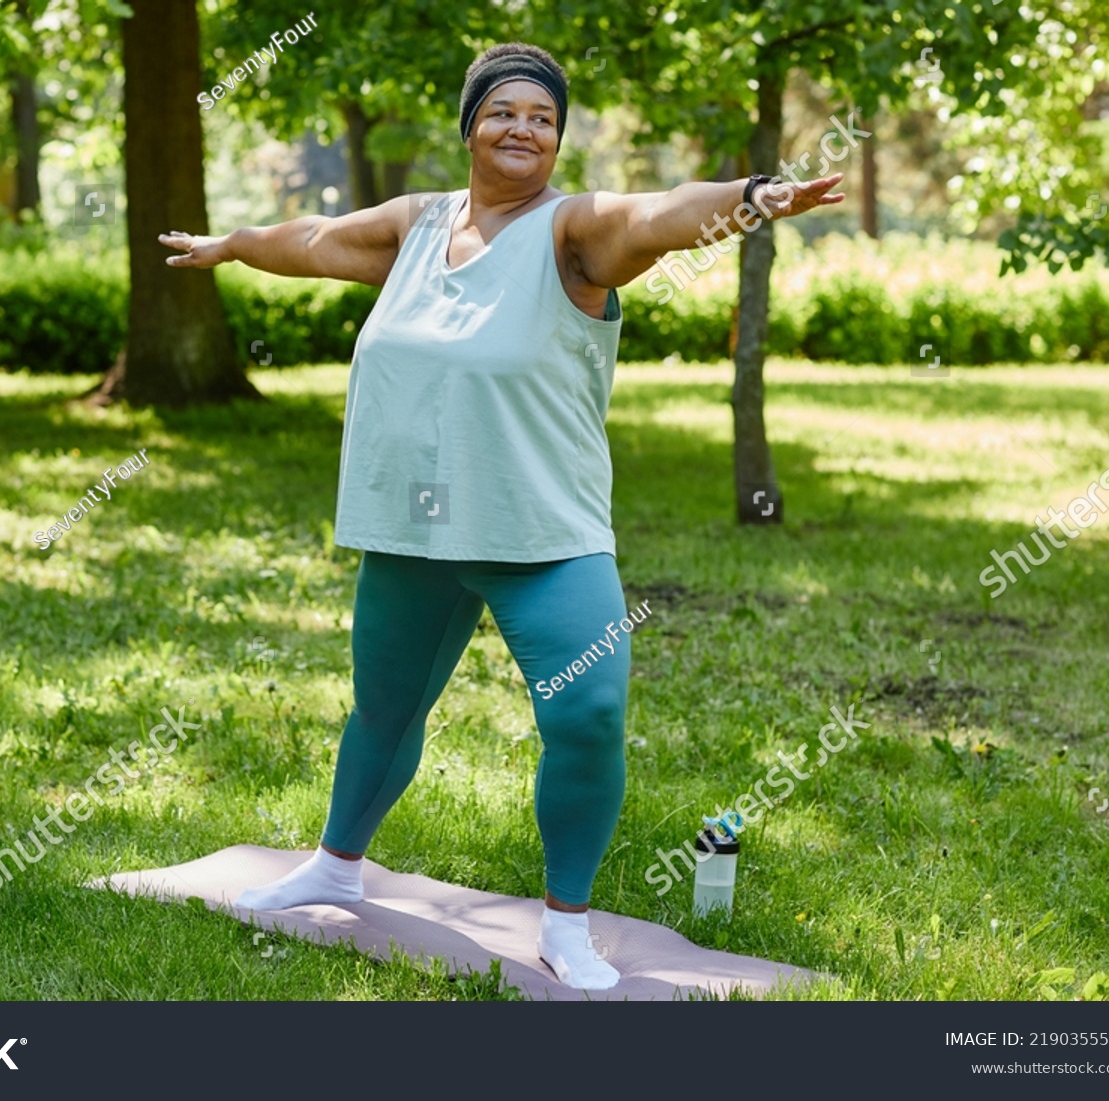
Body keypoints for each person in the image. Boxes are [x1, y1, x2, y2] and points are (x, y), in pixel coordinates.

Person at [159, 42, 843, 990]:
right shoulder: (417, 225)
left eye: (544, 118)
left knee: (590, 715)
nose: (525, 128)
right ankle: (335, 865)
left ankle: (567, 924)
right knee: (385, 711)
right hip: (416, 530)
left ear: (558, 140)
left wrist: (755, 196)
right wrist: (231, 244)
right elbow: (315, 241)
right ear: (471, 126)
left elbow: (661, 214)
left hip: (543, 535)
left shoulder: (574, 234)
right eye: (505, 111)